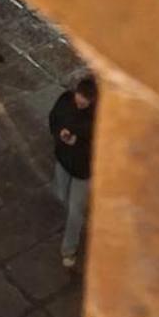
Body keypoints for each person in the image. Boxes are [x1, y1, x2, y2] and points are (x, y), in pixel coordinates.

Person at [49, 75, 97, 270]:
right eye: (79, 95)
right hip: (63, 160)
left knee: (75, 212)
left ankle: (69, 249)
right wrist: (59, 134)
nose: (80, 100)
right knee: (61, 195)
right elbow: (54, 119)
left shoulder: (97, 119)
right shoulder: (65, 101)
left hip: (82, 171)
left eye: (85, 98)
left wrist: (77, 144)